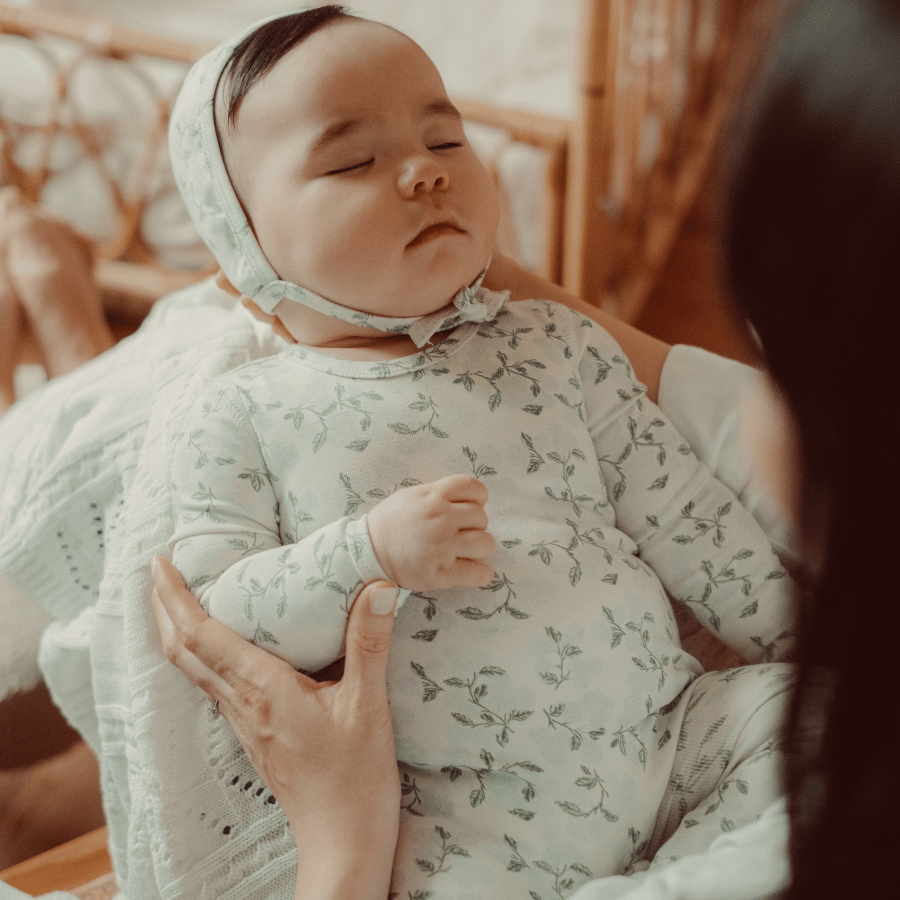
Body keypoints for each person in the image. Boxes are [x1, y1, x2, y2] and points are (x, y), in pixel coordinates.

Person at [152, 0, 900, 897]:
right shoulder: (239, 409)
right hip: (470, 814)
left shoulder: (556, 343)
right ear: (242, 246)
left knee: (811, 718)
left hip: (667, 724)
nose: (423, 174)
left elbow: (682, 510)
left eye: (447, 140)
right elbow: (220, 619)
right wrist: (369, 552)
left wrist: (799, 635)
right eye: (354, 161)